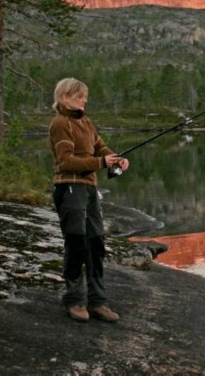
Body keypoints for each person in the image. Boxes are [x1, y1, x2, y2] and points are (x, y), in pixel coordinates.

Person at [48, 77, 130, 322]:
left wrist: (116, 160)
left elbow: (100, 148)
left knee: (95, 244)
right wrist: (100, 163)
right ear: (65, 97)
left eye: (85, 96)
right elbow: (66, 162)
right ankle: (73, 300)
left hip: (90, 189)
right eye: (80, 96)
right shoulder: (60, 124)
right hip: (69, 188)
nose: (85, 99)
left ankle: (98, 302)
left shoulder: (87, 123)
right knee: (76, 244)